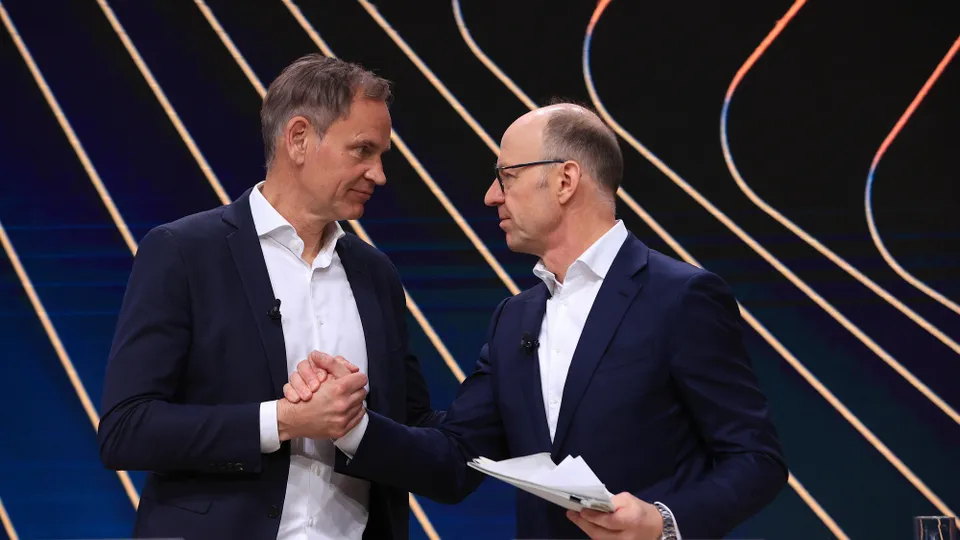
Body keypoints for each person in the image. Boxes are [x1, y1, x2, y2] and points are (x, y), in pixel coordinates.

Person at [290, 103, 789, 539]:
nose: (491, 195)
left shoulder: (680, 297)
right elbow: (456, 459)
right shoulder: (515, 319)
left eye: (506, 176)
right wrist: (350, 426)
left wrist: (663, 521)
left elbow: (756, 459)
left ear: (566, 180)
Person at [97, 54, 442, 540]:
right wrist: (283, 420)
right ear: (298, 138)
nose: (379, 174)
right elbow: (126, 429)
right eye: (363, 150)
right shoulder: (184, 253)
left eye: (381, 155)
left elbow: (414, 423)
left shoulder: (375, 274)